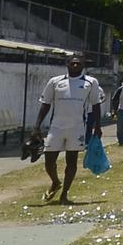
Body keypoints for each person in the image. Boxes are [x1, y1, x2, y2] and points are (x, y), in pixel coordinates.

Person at [31, 55, 105, 204]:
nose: (76, 65)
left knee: (71, 161)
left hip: (77, 127)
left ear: (83, 66)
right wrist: (36, 126)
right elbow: (45, 104)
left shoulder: (90, 82)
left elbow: (95, 105)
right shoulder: (55, 81)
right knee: (49, 160)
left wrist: (98, 126)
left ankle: (64, 194)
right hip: (56, 127)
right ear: (67, 65)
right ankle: (55, 182)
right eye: (73, 63)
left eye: (79, 63)